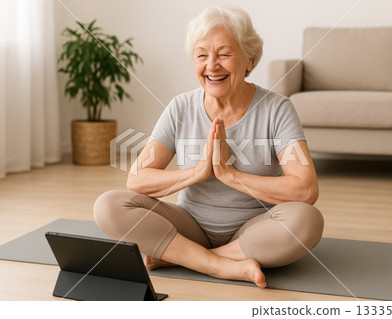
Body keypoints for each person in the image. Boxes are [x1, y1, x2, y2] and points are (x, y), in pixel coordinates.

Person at [93, 5, 323, 288]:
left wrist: (231, 175)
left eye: (224, 54)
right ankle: (220, 265)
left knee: (307, 221)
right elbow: (137, 179)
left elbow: (305, 188)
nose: (211, 65)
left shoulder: (277, 109)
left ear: (249, 59)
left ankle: (184, 258)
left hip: (254, 229)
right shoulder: (180, 107)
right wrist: (198, 172)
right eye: (202, 55)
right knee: (108, 206)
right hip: (190, 226)